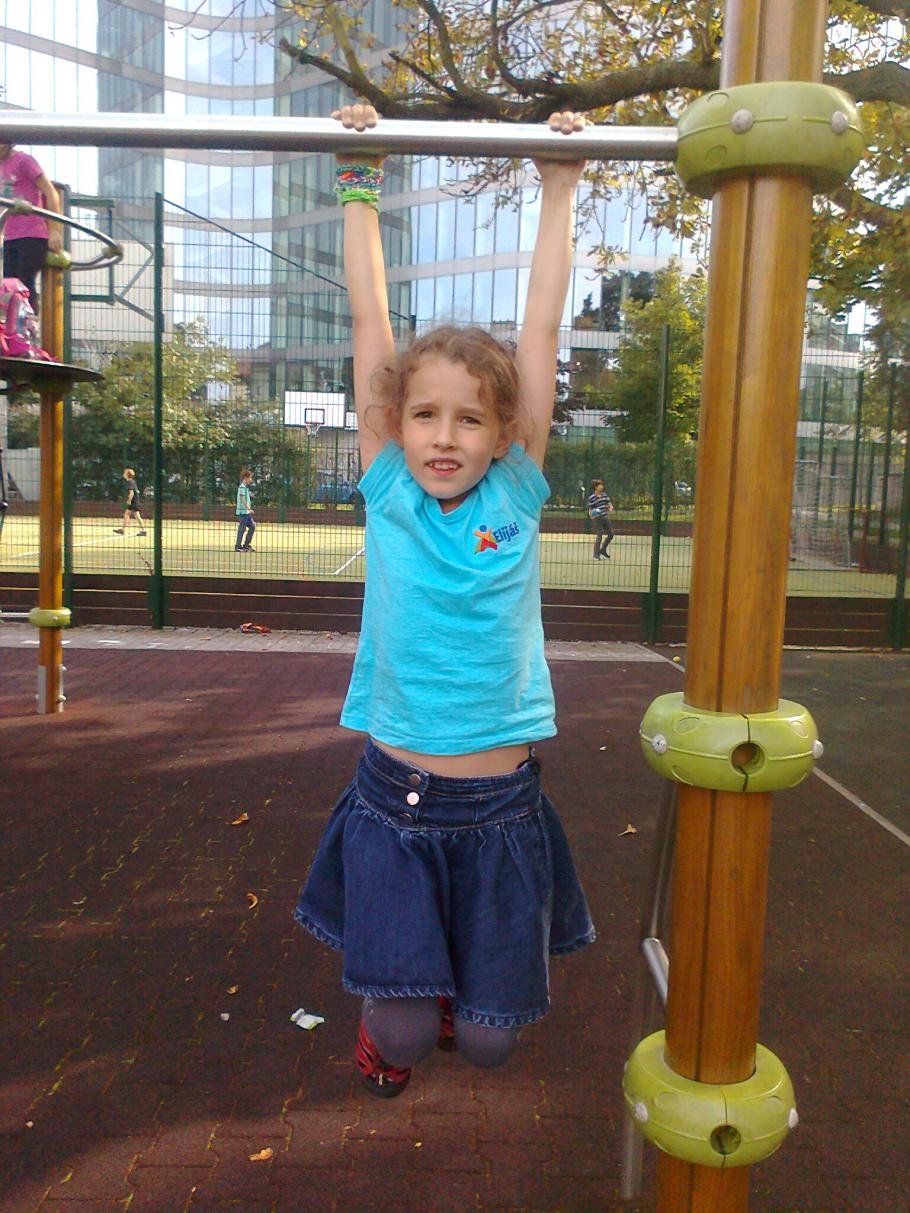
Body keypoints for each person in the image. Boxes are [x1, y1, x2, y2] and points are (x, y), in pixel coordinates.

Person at [294, 104, 595, 1099]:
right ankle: (394, 1022)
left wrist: (559, 185)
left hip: (500, 806)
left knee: (493, 1046)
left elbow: (540, 328)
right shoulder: (390, 491)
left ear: (504, 433)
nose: (443, 435)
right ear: (397, 422)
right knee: (409, 1032)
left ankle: (453, 989)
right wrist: (360, 180)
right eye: (424, 414)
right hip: (396, 798)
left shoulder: (515, 492)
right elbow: (369, 325)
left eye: (469, 419)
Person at [0, 144, 64, 316]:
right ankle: (13, 328)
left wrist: (55, 231)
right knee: (8, 287)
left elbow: (51, 192)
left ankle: (29, 324)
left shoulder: (24, 161)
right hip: (11, 236)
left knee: (24, 283)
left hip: (32, 235)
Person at [112, 468, 147, 536]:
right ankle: (122, 530)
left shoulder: (130, 482)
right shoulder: (132, 481)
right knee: (127, 514)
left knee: (137, 516)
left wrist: (129, 500)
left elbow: (132, 492)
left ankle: (143, 530)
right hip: (134, 500)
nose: (124, 474)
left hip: (133, 501)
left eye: (125, 473)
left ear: (127, 475)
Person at [588, 478, 614, 560]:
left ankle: (603, 549)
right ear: (595, 487)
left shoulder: (604, 495)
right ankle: (596, 555)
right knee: (599, 535)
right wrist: (591, 515)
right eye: (600, 485)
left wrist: (610, 507)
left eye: (602, 485)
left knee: (611, 534)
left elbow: (609, 503)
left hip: (605, 517)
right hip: (597, 518)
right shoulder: (592, 497)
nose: (602, 487)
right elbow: (590, 509)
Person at [234, 468, 256, 551]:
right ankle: (238, 546)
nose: (251, 480)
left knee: (252, 526)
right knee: (242, 529)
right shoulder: (242, 488)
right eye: (250, 478)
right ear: (245, 478)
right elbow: (242, 499)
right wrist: (249, 509)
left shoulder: (244, 488)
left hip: (246, 513)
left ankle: (246, 545)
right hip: (242, 513)